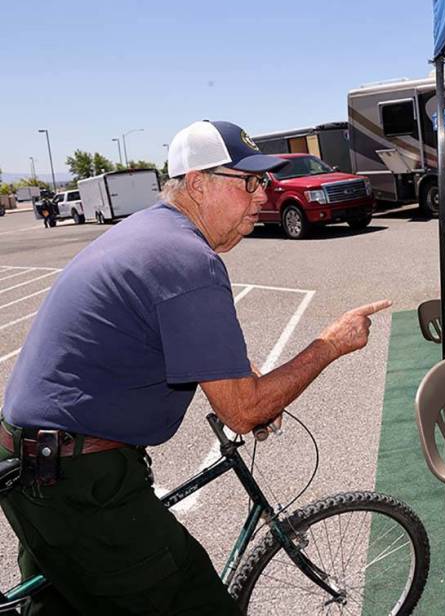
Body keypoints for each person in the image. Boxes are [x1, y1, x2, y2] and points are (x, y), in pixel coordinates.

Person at [0, 120, 391, 615]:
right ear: (198, 184)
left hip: (30, 459)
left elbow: (177, 342)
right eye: (248, 182)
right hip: (82, 477)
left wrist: (245, 378)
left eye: (264, 182)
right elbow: (242, 412)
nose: (261, 197)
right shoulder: (188, 259)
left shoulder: (149, 233)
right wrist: (329, 345)